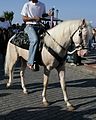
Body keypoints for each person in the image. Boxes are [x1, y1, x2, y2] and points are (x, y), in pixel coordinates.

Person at [21, 0, 52, 70]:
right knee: (35, 40)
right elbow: (23, 18)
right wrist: (33, 18)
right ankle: (30, 62)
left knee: (50, 38)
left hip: (40, 26)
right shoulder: (27, 5)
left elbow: (43, 15)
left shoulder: (42, 4)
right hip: (29, 26)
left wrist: (48, 14)